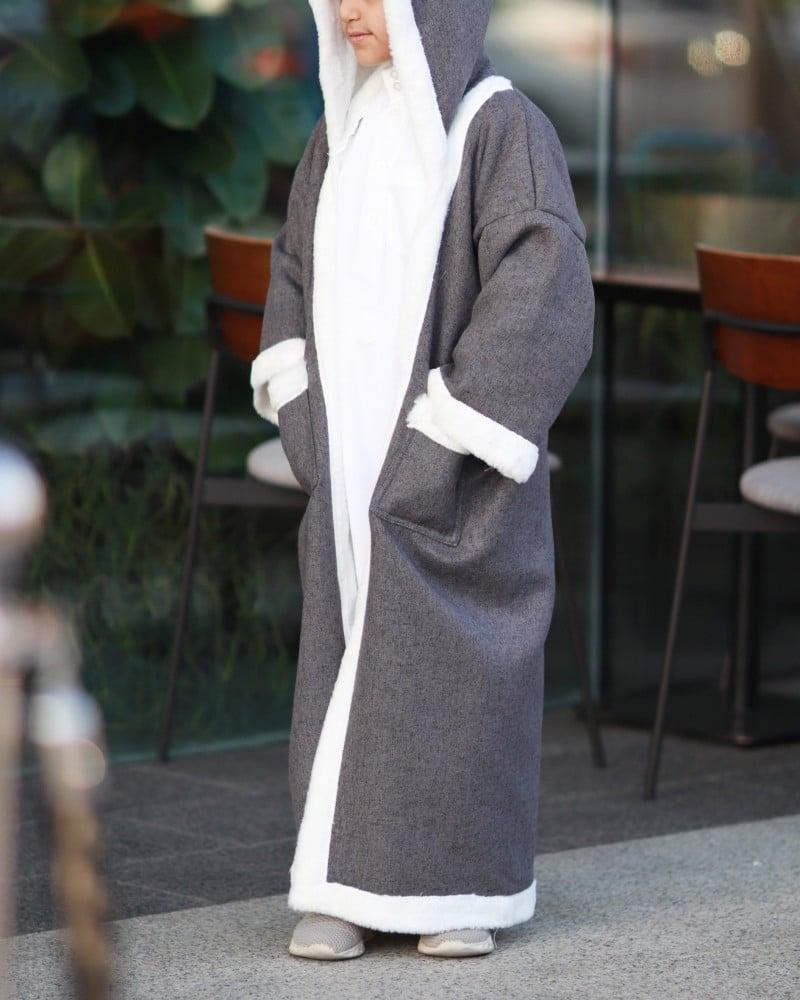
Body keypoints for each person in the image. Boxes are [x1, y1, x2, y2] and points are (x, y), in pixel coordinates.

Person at [250, 0, 595, 960]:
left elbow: (545, 286)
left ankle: (455, 886)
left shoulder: (500, 127)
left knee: (453, 671)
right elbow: (292, 269)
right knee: (351, 657)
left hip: (450, 468)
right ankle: (342, 881)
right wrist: (303, 409)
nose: (349, 12)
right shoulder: (340, 133)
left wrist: (447, 439)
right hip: (351, 456)